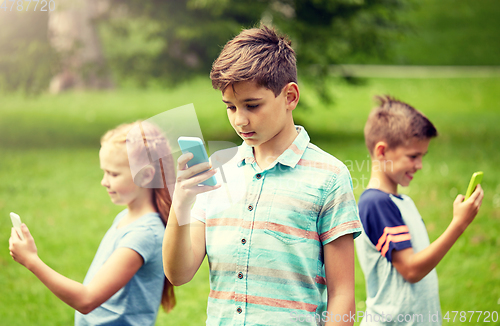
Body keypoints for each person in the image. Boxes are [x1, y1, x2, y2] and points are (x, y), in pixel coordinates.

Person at [162, 25, 362, 326]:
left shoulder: (329, 177)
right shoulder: (218, 170)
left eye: (252, 105)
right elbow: (178, 274)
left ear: (290, 96)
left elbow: (343, 293)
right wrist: (181, 205)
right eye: (230, 107)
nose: (239, 120)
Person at [9, 121, 176, 325]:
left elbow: (86, 300)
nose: (104, 181)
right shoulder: (127, 217)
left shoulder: (144, 235)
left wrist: (31, 261)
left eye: (113, 174)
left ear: (147, 175)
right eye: (104, 172)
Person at [355, 96, 484, 325]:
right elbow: (411, 270)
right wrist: (459, 224)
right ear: (382, 152)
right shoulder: (375, 204)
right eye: (413, 156)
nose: (420, 165)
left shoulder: (401, 202)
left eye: (422, 156)